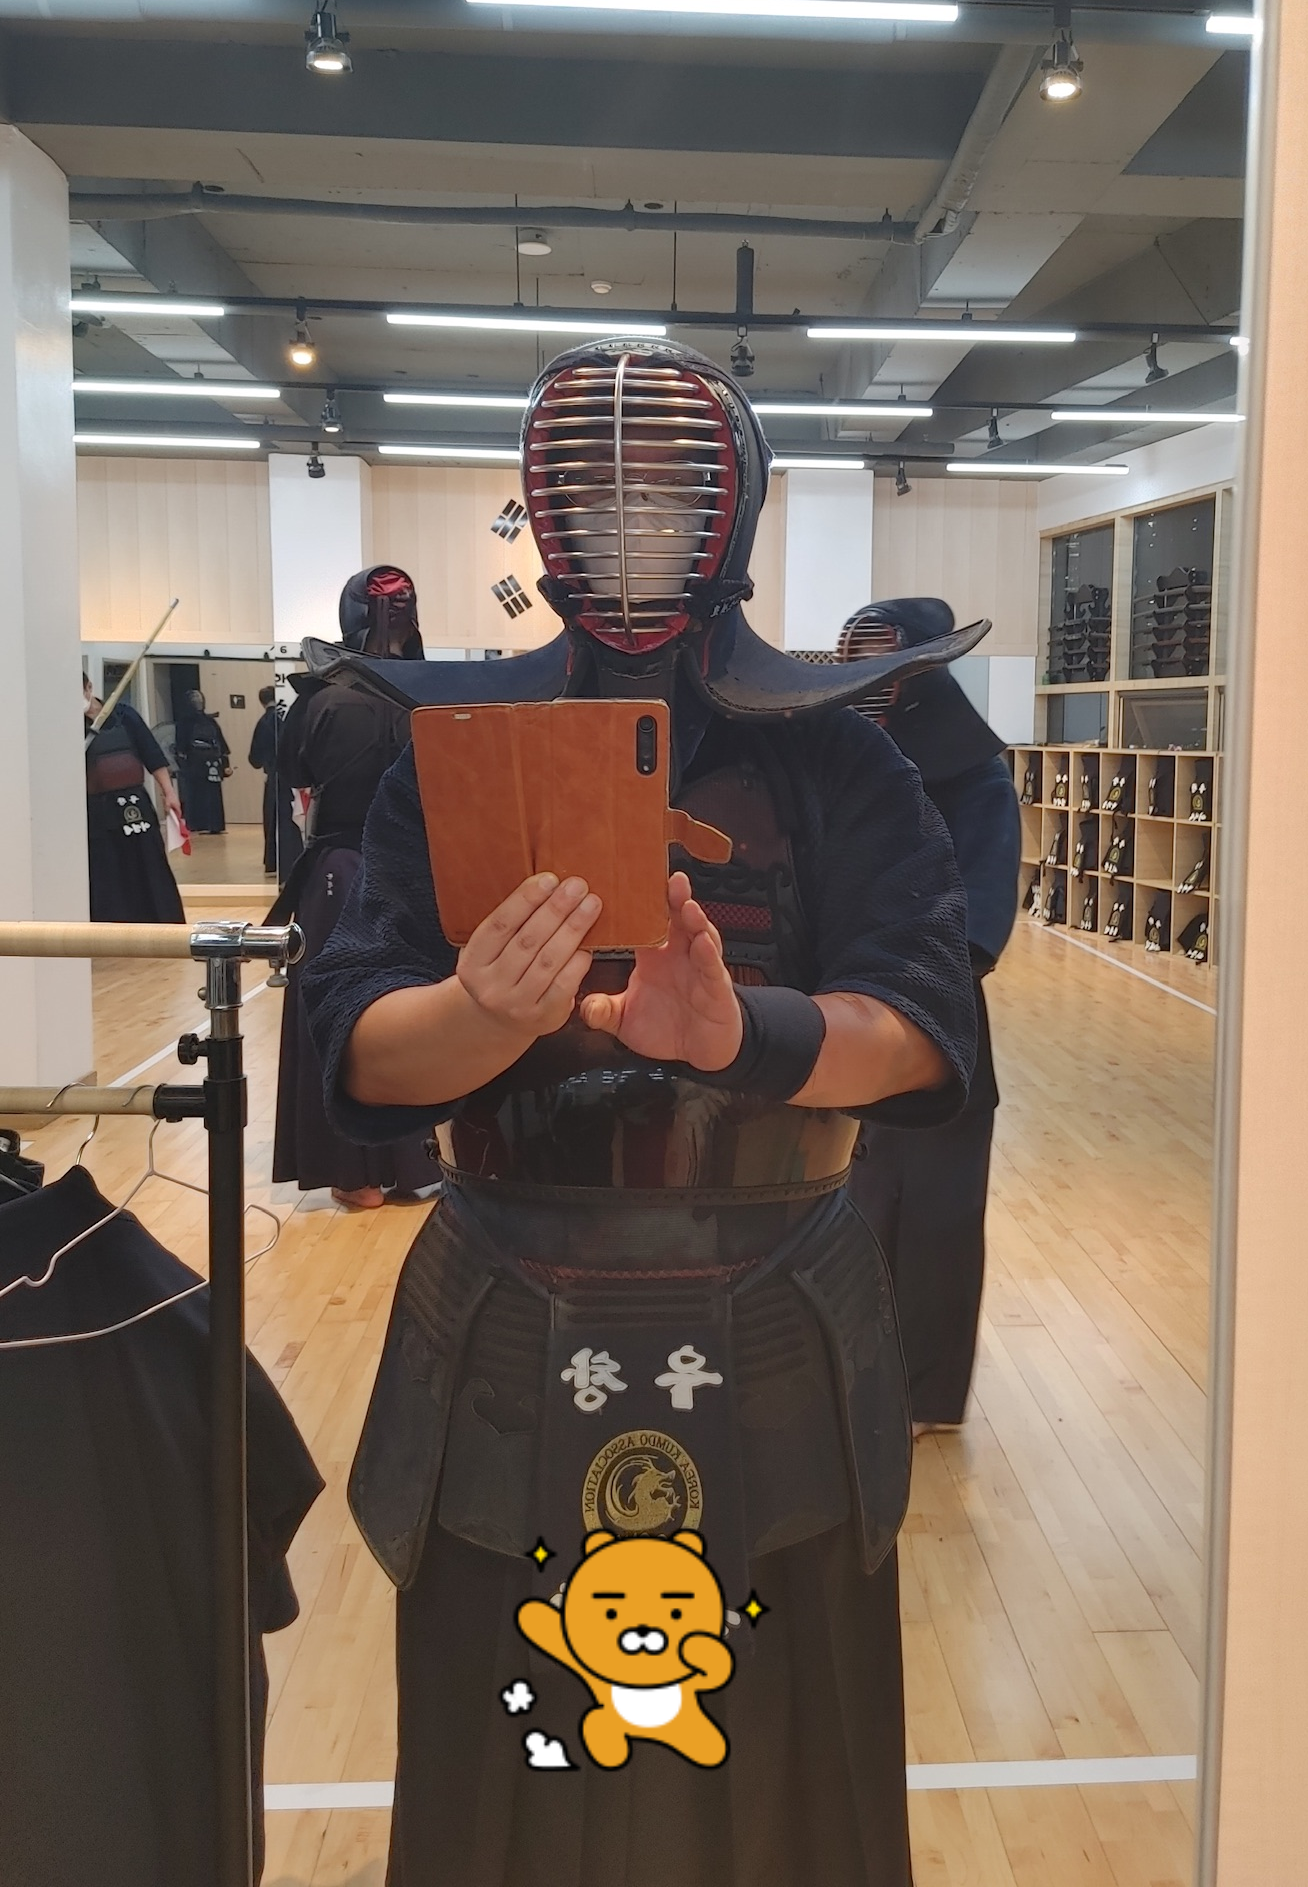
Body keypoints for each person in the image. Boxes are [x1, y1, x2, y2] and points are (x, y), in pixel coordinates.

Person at [299, 338, 985, 1887]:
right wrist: (481, 1015)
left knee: (787, 1722)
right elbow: (358, 1047)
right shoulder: (445, 760)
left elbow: (923, 1033)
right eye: (593, 487)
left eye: (663, 488)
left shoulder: (838, 757)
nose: (626, 520)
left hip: (778, 1289)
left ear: (727, 509)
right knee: (507, 1707)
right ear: (544, 511)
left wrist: (747, 1035)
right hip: (506, 1280)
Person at [834, 601, 1022, 1433]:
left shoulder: (974, 776)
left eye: (882, 654)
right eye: (855, 653)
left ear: (923, 665)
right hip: (838, 1003)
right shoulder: (844, 759)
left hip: (935, 1009)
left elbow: (979, 917)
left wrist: (905, 983)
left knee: (938, 1210)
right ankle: (846, 1372)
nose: (867, 670)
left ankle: (925, 1393)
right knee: (855, 1196)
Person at [268, 567, 439, 1211]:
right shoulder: (432, 697)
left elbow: (294, 779)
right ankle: (414, 1166)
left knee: (339, 1006)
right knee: (415, 1002)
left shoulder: (320, 701)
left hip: (341, 871)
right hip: (415, 872)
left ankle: (356, 1173)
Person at [82, 673, 186, 925]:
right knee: (108, 871)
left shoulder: (124, 715)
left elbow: (152, 754)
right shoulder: (66, 725)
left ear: (89, 687)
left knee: (149, 864)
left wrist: (169, 792)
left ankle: (163, 925)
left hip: (135, 804)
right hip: (96, 810)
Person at [174, 688, 231, 834]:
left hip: (204, 763)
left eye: (199, 699)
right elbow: (181, 748)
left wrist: (225, 765)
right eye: (195, 700)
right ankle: (206, 824)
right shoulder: (192, 722)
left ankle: (207, 824)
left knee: (205, 794)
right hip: (202, 764)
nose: (198, 702)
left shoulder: (203, 722)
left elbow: (220, 744)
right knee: (203, 794)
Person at [247, 682, 282, 876]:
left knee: (271, 818)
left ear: (262, 702)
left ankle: (272, 861)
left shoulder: (263, 723)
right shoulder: (285, 717)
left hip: (272, 775)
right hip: (292, 776)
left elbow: (255, 759)